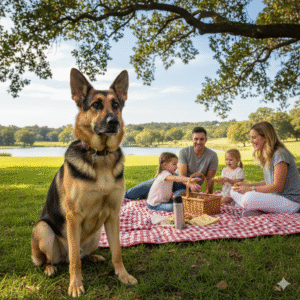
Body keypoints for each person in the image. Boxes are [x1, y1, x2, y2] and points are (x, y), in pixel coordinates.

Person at [124, 127, 218, 199]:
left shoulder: (212, 156)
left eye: (201, 139)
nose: (198, 142)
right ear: (192, 139)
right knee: (148, 185)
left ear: (206, 140)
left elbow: (210, 178)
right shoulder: (184, 152)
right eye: (196, 139)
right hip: (174, 179)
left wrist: (209, 196)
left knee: (178, 200)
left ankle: (151, 196)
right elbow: (181, 175)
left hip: (188, 188)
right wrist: (190, 183)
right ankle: (122, 197)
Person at [231, 121, 300, 217]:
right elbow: (268, 182)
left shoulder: (280, 154)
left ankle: (252, 207)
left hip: (290, 202)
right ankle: (258, 209)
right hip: (275, 197)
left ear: (266, 137)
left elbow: (277, 186)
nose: (251, 141)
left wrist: (250, 189)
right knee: (233, 190)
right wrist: (246, 185)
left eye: (254, 137)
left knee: (248, 197)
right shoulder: (267, 154)